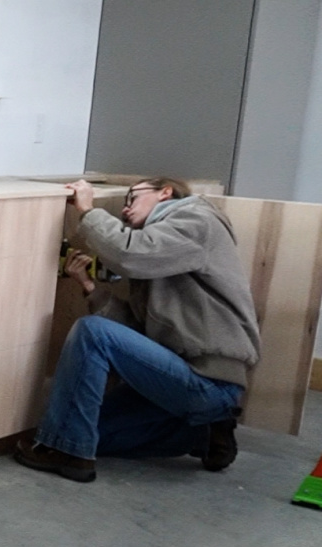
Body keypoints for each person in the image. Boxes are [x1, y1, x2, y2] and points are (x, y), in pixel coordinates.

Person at [15, 177, 261, 482]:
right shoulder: (161, 251)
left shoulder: (196, 219)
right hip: (176, 380)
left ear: (165, 192)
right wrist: (90, 287)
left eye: (132, 198)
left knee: (91, 335)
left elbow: (130, 254)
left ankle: (69, 455)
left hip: (208, 380)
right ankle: (203, 434)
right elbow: (136, 336)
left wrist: (88, 210)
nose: (126, 209)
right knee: (91, 433)